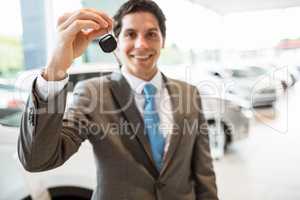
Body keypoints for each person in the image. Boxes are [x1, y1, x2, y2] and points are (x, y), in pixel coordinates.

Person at [18, 0, 219, 199]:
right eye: (130, 34)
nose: (141, 44)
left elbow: (204, 174)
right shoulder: (92, 93)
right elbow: (37, 160)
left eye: (151, 34)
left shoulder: (189, 94)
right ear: (117, 40)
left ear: (163, 40)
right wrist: (56, 67)